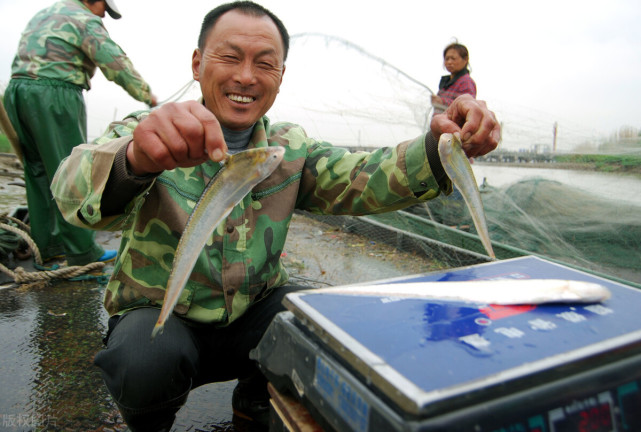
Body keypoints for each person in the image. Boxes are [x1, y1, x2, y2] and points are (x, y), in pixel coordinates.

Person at [51, 2, 500, 431]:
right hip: (161, 322)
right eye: (229, 57)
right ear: (196, 63)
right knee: (143, 361)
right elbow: (69, 187)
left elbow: (364, 174)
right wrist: (135, 159)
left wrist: (441, 148)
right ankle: (150, 421)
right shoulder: (147, 129)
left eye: (265, 64)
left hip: (253, 313)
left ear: (281, 76)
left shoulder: (289, 149)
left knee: (319, 324)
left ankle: (257, 403)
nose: (245, 76)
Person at [3, 0, 157, 266]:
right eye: (104, 10)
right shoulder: (85, 19)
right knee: (71, 169)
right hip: (54, 93)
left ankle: (49, 248)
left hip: (18, 92)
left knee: (38, 172)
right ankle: (82, 254)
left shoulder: (47, 13)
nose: (103, 16)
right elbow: (114, 62)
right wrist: (147, 96)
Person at [431, 41, 477, 114]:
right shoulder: (446, 82)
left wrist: (442, 101)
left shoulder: (466, 82)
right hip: (439, 123)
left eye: (453, 58)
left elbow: (466, 106)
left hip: (452, 125)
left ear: (465, 59)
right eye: (447, 59)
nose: (449, 62)